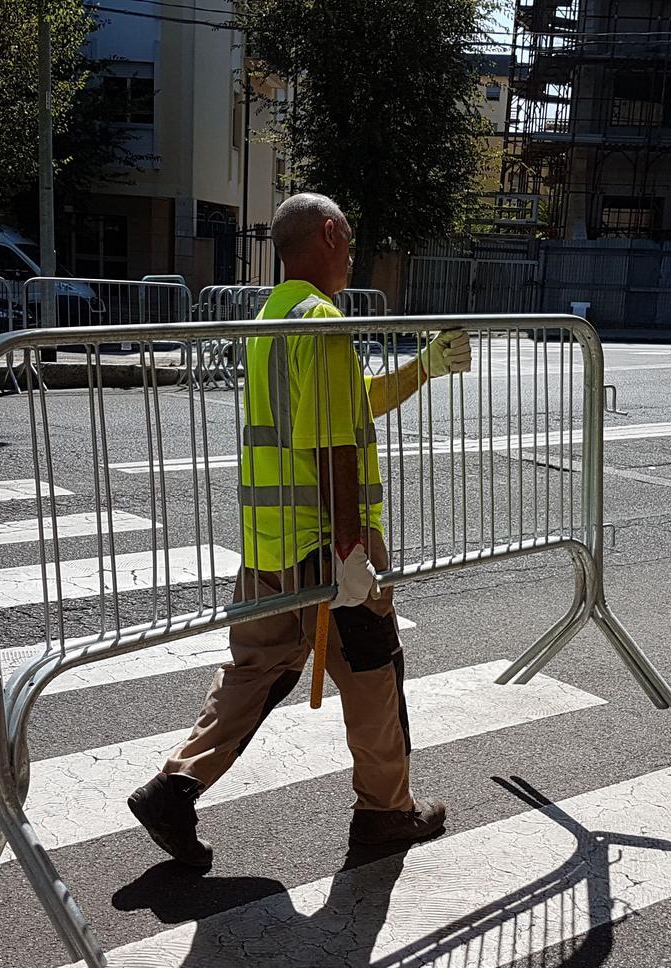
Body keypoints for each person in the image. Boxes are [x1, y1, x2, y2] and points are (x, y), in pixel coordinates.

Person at [128, 192, 472, 868]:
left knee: (254, 672)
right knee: (374, 678)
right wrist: (350, 553)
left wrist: (421, 368)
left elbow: (350, 405)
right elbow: (333, 443)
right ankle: (385, 814)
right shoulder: (324, 321)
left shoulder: (273, 316)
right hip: (325, 547)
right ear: (330, 233)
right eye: (348, 237)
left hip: (268, 545)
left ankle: (174, 787)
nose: (351, 250)